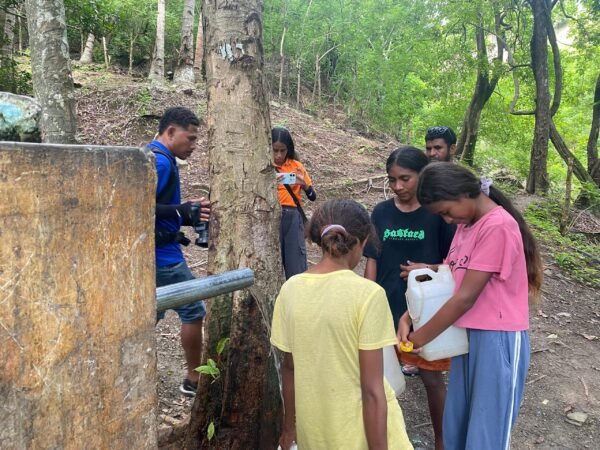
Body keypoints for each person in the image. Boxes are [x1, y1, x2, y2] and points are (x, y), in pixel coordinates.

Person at [399, 163, 543, 449]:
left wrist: (418, 339)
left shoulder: (498, 226)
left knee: (487, 432)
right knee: (460, 425)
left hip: (497, 339)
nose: (447, 219)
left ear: (463, 193)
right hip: (466, 336)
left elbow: (465, 297)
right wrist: (409, 317)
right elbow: (449, 281)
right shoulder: (466, 226)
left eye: (446, 211)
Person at [271, 199, 413, 450]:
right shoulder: (368, 294)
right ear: (363, 241)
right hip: (360, 435)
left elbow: (289, 368)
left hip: (314, 433)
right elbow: (372, 390)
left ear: (318, 239)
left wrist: (289, 427)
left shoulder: (290, 289)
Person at [364, 146, 455, 450]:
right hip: (385, 304)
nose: (398, 186)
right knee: (379, 377)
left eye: (405, 178)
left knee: (431, 378)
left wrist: (427, 268)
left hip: (423, 310)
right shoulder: (381, 212)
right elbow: (372, 257)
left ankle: (442, 441)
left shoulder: (437, 214)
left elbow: (454, 265)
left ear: (422, 175)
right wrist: (367, 297)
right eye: (392, 179)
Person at [148, 107, 211, 397]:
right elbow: (138, 206)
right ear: (171, 132)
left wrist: (187, 214)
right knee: (193, 310)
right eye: (191, 138)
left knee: (149, 314)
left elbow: (159, 209)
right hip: (165, 259)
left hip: (152, 254)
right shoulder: (160, 162)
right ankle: (193, 379)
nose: (194, 145)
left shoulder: (155, 157)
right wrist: (180, 210)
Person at [272, 127, 317, 279]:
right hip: (271, 216)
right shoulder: (264, 166)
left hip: (293, 217)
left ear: (288, 149)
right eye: (275, 150)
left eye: (282, 151)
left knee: (296, 265)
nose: (278, 155)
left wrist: (304, 185)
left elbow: (312, 196)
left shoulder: (296, 166)